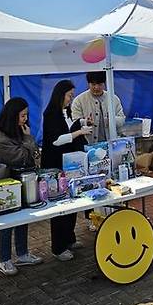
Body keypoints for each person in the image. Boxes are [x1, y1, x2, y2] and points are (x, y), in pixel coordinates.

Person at [42, 79, 92, 261]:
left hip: (70, 163)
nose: (71, 99)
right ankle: (58, 247)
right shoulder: (50, 114)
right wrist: (78, 133)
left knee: (72, 203)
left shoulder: (66, 112)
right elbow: (56, 139)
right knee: (59, 207)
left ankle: (70, 238)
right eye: (69, 95)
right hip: (55, 164)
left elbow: (70, 126)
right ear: (60, 94)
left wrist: (82, 123)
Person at [0, 97, 44, 275]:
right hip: (9, 181)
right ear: (12, 115)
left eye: (26, 115)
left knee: (24, 217)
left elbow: (33, 154)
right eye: (22, 115)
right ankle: (4, 259)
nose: (25, 119)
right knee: (8, 221)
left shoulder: (20, 130)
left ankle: (22, 253)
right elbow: (21, 156)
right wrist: (29, 139)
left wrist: (28, 143)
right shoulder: (1, 135)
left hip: (26, 178)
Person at [71, 71, 125, 144]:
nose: (96, 87)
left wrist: (112, 119)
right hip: (88, 144)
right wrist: (85, 122)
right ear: (88, 84)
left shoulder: (113, 98)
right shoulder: (79, 100)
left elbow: (122, 120)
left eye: (99, 84)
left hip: (110, 144)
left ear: (104, 83)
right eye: (93, 84)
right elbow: (75, 123)